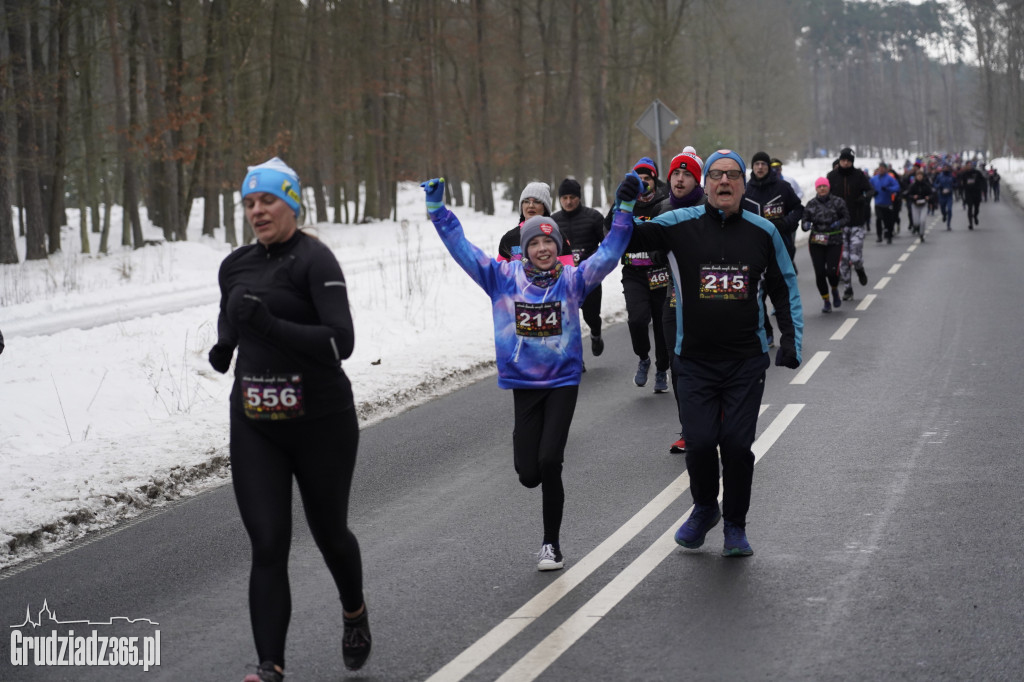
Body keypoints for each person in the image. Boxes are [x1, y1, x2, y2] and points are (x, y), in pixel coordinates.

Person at [422, 173, 637, 571]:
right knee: (528, 474)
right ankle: (535, 481)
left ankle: (550, 545)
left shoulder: (573, 281)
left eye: (548, 242)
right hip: (524, 383)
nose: (541, 248)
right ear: (524, 249)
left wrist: (623, 212)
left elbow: (609, 253)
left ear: (558, 247)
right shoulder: (503, 280)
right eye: (534, 242)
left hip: (562, 381)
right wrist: (438, 212)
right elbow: (463, 249)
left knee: (550, 462)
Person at [208, 158, 371, 682]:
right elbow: (232, 307)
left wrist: (269, 325)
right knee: (268, 543)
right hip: (256, 423)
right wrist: (225, 344)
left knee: (330, 534)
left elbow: (339, 343)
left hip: (322, 423)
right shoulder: (234, 264)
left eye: (268, 201)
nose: (257, 211)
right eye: (250, 203)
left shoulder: (315, 261)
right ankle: (269, 667)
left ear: (292, 204)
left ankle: (354, 611)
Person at [625, 149, 804, 557]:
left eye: (733, 175)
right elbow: (629, 235)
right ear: (706, 184)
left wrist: (791, 337)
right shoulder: (677, 224)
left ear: (743, 184)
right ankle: (705, 507)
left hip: (745, 360)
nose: (725, 182)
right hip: (694, 360)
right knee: (701, 443)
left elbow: (784, 284)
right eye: (717, 175)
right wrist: (622, 204)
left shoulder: (764, 232)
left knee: (737, 447)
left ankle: (735, 526)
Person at [604, 157, 671, 392]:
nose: (643, 184)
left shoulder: (664, 203)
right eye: (638, 179)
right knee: (637, 319)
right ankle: (644, 358)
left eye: (647, 179)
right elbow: (608, 230)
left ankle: (662, 369)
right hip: (633, 272)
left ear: (654, 180)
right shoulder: (624, 201)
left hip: (660, 274)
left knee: (663, 326)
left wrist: (661, 254)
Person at [654, 147, 706, 454]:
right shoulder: (662, 210)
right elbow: (656, 254)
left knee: (707, 362)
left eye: (687, 174)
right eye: (676, 173)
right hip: (675, 299)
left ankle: (714, 420)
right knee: (678, 363)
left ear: (697, 179)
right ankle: (688, 429)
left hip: (708, 298)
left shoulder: (708, 206)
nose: (680, 179)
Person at [742, 150, 803, 347]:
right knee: (755, 298)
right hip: (753, 253)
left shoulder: (782, 187)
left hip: (779, 250)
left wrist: (786, 223)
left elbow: (798, 208)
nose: (760, 167)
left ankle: (790, 337)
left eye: (763, 164)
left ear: (769, 167)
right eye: (757, 164)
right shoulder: (744, 190)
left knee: (781, 296)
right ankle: (766, 331)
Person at [552, 178, 607, 356]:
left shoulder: (594, 217)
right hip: (564, 281)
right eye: (564, 197)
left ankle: (596, 335)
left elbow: (608, 245)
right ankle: (576, 359)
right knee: (568, 321)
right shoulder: (552, 222)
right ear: (560, 199)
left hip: (589, 279)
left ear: (579, 197)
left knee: (591, 317)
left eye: (572, 197)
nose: (568, 201)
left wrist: (598, 264)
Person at [827, 147, 874, 302]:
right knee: (844, 258)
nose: (845, 163)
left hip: (856, 222)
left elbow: (870, 190)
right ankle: (848, 288)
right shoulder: (832, 176)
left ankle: (859, 268)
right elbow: (824, 195)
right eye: (843, 160)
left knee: (854, 256)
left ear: (852, 162)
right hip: (839, 224)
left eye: (848, 160)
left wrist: (864, 198)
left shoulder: (859, 175)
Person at [802, 177, 849, 312]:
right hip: (817, 241)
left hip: (834, 240)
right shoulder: (811, 204)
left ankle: (834, 289)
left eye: (824, 186)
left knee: (832, 272)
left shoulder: (838, 202)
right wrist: (805, 225)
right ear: (816, 189)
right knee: (820, 272)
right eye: (819, 187)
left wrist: (839, 223)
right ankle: (826, 300)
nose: (822, 189)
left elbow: (846, 217)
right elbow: (804, 221)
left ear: (828, 187)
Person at [497, 182, 574, 264]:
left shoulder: (557, 235)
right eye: (526, 201)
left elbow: (568, 272)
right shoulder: (509, 238)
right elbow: (499, 273)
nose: (531, 205)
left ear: (545, 207)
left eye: (536, 202)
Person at [869, 162, 900, 244]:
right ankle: (879, 236)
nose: (881, 170)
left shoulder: (890, 178)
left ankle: (889, 236)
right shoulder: (874, 179)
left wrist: (888, 189)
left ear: (886, 169)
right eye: (880, 168)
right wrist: (872, 192)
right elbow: (867, 186)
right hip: (878, 203)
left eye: (883, 168)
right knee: (878, 219)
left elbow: (897, 187)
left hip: (887, 203)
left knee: (888, 221)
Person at [905, 168, 933, 241]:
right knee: (916, 222)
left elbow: (931, 194)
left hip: (924, 205)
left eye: (921, 175)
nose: (919, 177)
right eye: (918, 175)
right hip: (915, 205)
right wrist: (913, 197)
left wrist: (928, 197)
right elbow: (908, 194)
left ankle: (921, 234)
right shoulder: (913, 185)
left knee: (922, 220)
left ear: (923, 176)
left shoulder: (926, 185)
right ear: (916, 177)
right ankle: (917, 228)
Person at [959, 160, 986, 229]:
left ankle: (975, 216)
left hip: (976, 192)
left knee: (976, 208)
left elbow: (983, 180)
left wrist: (982, 188)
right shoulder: (964, 174)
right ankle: (970, 224)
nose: (969, 166)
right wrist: (961, 190)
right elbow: (961, 183)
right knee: (970, 208)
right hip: (968, 193)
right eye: (967, 165)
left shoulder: (977, 173)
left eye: (970, 165)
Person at [934, 165, 956, 230]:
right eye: (944, 168)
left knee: (949, 209)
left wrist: (952, 186)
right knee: (942, 208)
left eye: (947, 168)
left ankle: (948, 224)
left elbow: (956, 183)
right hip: (942, 195)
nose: (946, 169)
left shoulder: (951, 176)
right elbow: (935, 184)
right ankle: (944, 215)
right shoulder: (939, 176)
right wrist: (939, 186)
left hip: (949, 195)